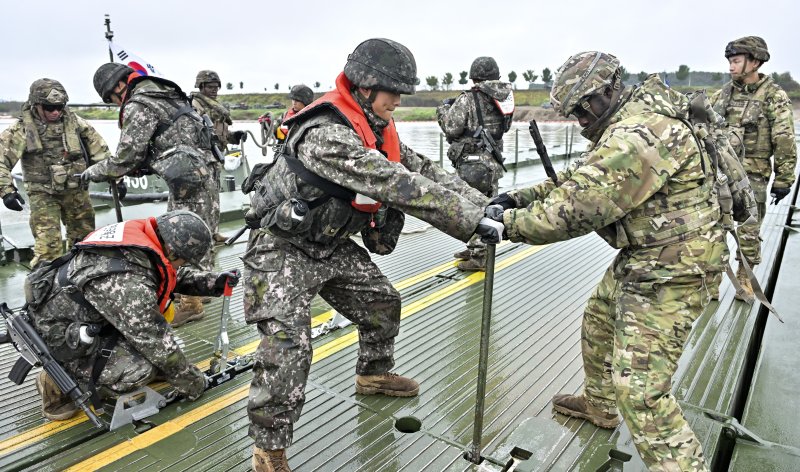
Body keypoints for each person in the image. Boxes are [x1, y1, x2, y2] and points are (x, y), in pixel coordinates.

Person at [242, 38, 502, 471]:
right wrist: (470, 221)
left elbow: (423, 169)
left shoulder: (377, 127)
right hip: (282, 249)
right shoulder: (326, 133)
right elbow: (394, 182)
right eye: (392, 91)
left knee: (382, 303)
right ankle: (268, 449)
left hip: (328, 245)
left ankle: (372, 374)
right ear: (364, 86)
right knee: (288, 347)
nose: (398, 101)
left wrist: (485, 203)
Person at [486, 52, 728, 471]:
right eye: (574, 111)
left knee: (641, 392)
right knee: (599, 317)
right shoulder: (633, 119)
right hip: (650, 254)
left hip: (673, 269)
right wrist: (518, 197)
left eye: (584, 108)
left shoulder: (638, 135)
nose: (580, 119)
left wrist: (507, 223)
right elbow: (584, 174)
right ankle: (599, 405)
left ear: (609, 90)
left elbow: (576, 208)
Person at [24, 210, 240, 421]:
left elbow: (167, 274)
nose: (182, 265)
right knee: (142, 369)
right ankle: (59, 379)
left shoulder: (146, 243)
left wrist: (213, 282)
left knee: (159, 356)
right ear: (173, 251)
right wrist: (192, 382)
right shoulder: (126, 279)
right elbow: (153, 339)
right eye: (183, 260)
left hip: (94, 321)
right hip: (65, 339)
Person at [84, 63, 220, 327]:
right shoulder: (164, 94)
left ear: (117, 87)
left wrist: (95, 171)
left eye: (112, 99)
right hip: (206, 169)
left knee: (182, 236)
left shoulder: (140, 104)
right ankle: (202, 289)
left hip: (188, 179)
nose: (115, 104)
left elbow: (125, 157)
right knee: (203, 227)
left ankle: (190, 304)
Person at [710, 36, 797, 302]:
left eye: (736, 61)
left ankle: (745, 278)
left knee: (748, 228)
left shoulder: (773, 96)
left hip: (754, 175)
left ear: (755, 62)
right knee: (713, 226)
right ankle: (711, 278)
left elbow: (784, 138)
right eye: (729, 61)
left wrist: (784, 178)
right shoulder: (725, 93)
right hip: (721, 173)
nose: (731, 67)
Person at [0, 79, 111, 267]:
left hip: (76, 191)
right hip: (43, 194)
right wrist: (7, 191)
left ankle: (82, 282)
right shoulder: (22, 129)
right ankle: (44, 290)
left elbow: (100, 151)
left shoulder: (75, 123)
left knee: (86, 243)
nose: (55, 112)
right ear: (36, 105)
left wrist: (116, 177)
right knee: (48, 249)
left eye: (59, 107)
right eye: (49, 107)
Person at [437, 56, 514, 271]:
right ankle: (476, 249)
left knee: (472, 207)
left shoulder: (468, 98)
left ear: (474, 79)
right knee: (488, 206)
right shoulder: (506, 97)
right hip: (493, 162)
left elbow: (452, 127)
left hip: (472, 164)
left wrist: (443, 110)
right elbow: (504, 127)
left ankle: (479, 257)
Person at [191, 70, 247, 243]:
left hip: (215, 156)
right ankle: (199, 235)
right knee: (202, 199)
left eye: (216, 87)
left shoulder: (214, 106)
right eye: (210, 87)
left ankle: (213, 232)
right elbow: (194, 132)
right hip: (202, 157)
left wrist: (233, 136)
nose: (214, 90)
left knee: (214, 197)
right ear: (201, 87)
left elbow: (219, 131)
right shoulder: (195, 106)